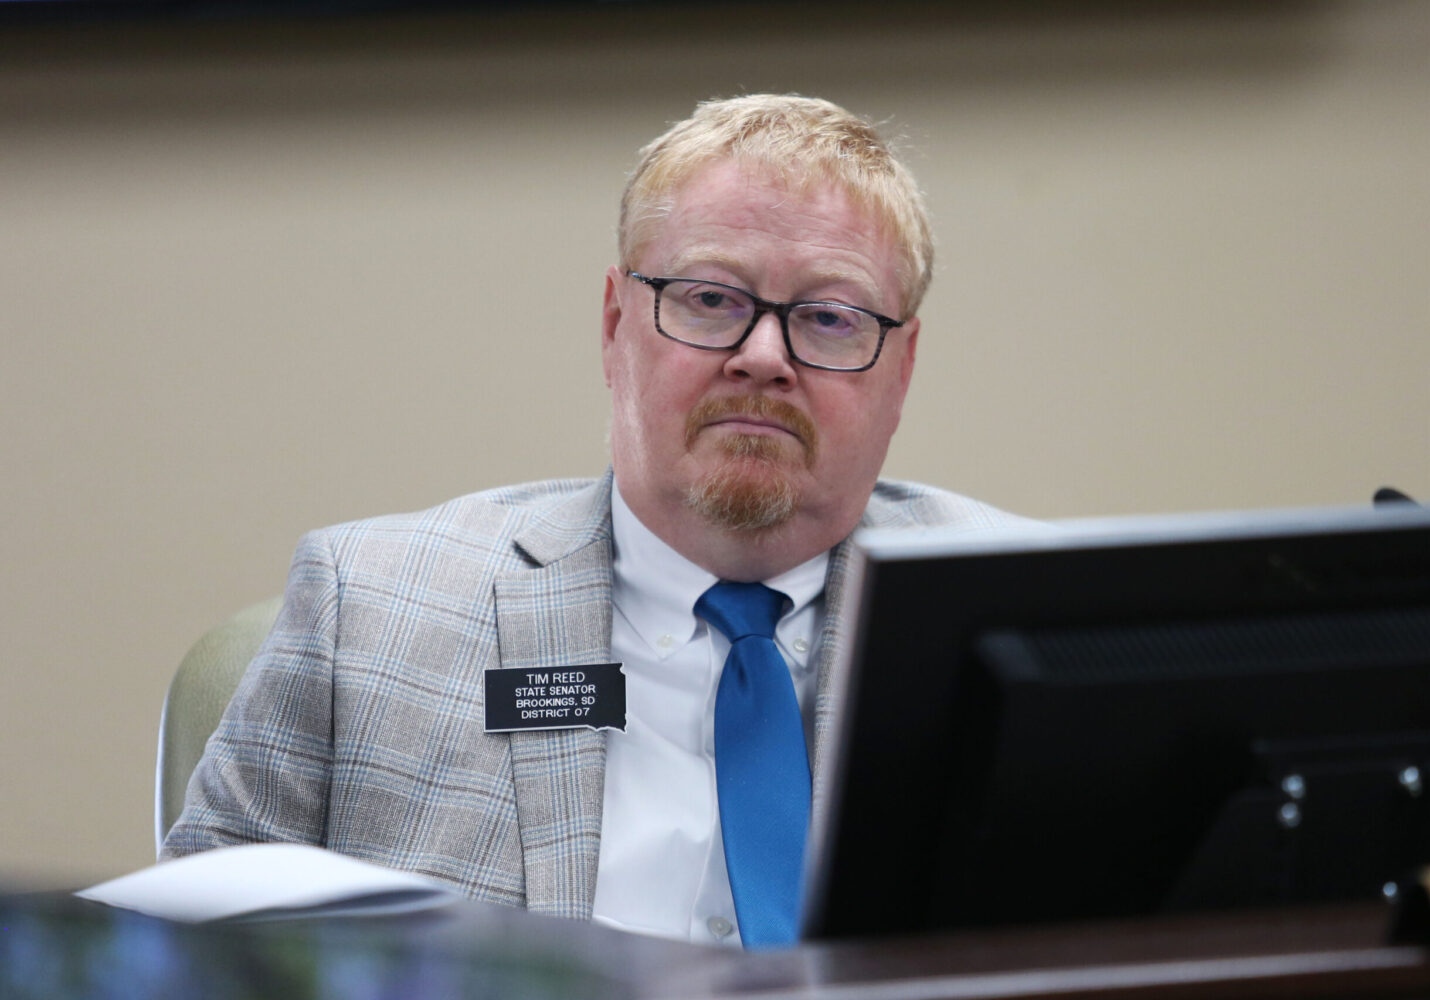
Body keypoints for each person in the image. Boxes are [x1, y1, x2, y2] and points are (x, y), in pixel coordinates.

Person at [162, 94, 1039, 948]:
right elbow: (186, 963)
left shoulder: (1028, 617)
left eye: (829, 318)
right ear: (617, 324)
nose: (763, 357)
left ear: (901, 369)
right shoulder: (366, 611)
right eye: (710, 299)